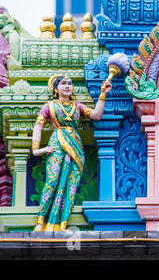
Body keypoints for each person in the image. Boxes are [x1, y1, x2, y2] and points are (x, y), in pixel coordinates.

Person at [32, 75, 112, 231]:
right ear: (55, 89)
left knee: (71, 184)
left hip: (75, 146)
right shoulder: (49, 106)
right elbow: (38, 127)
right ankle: (41, 221)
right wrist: (36, 149)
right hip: (57, 144)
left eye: (70, 83)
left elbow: (96, 115)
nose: (67, 86)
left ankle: (62, 223)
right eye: (63, 83)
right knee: (52, 181)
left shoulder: (78, 106)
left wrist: (103, 93)